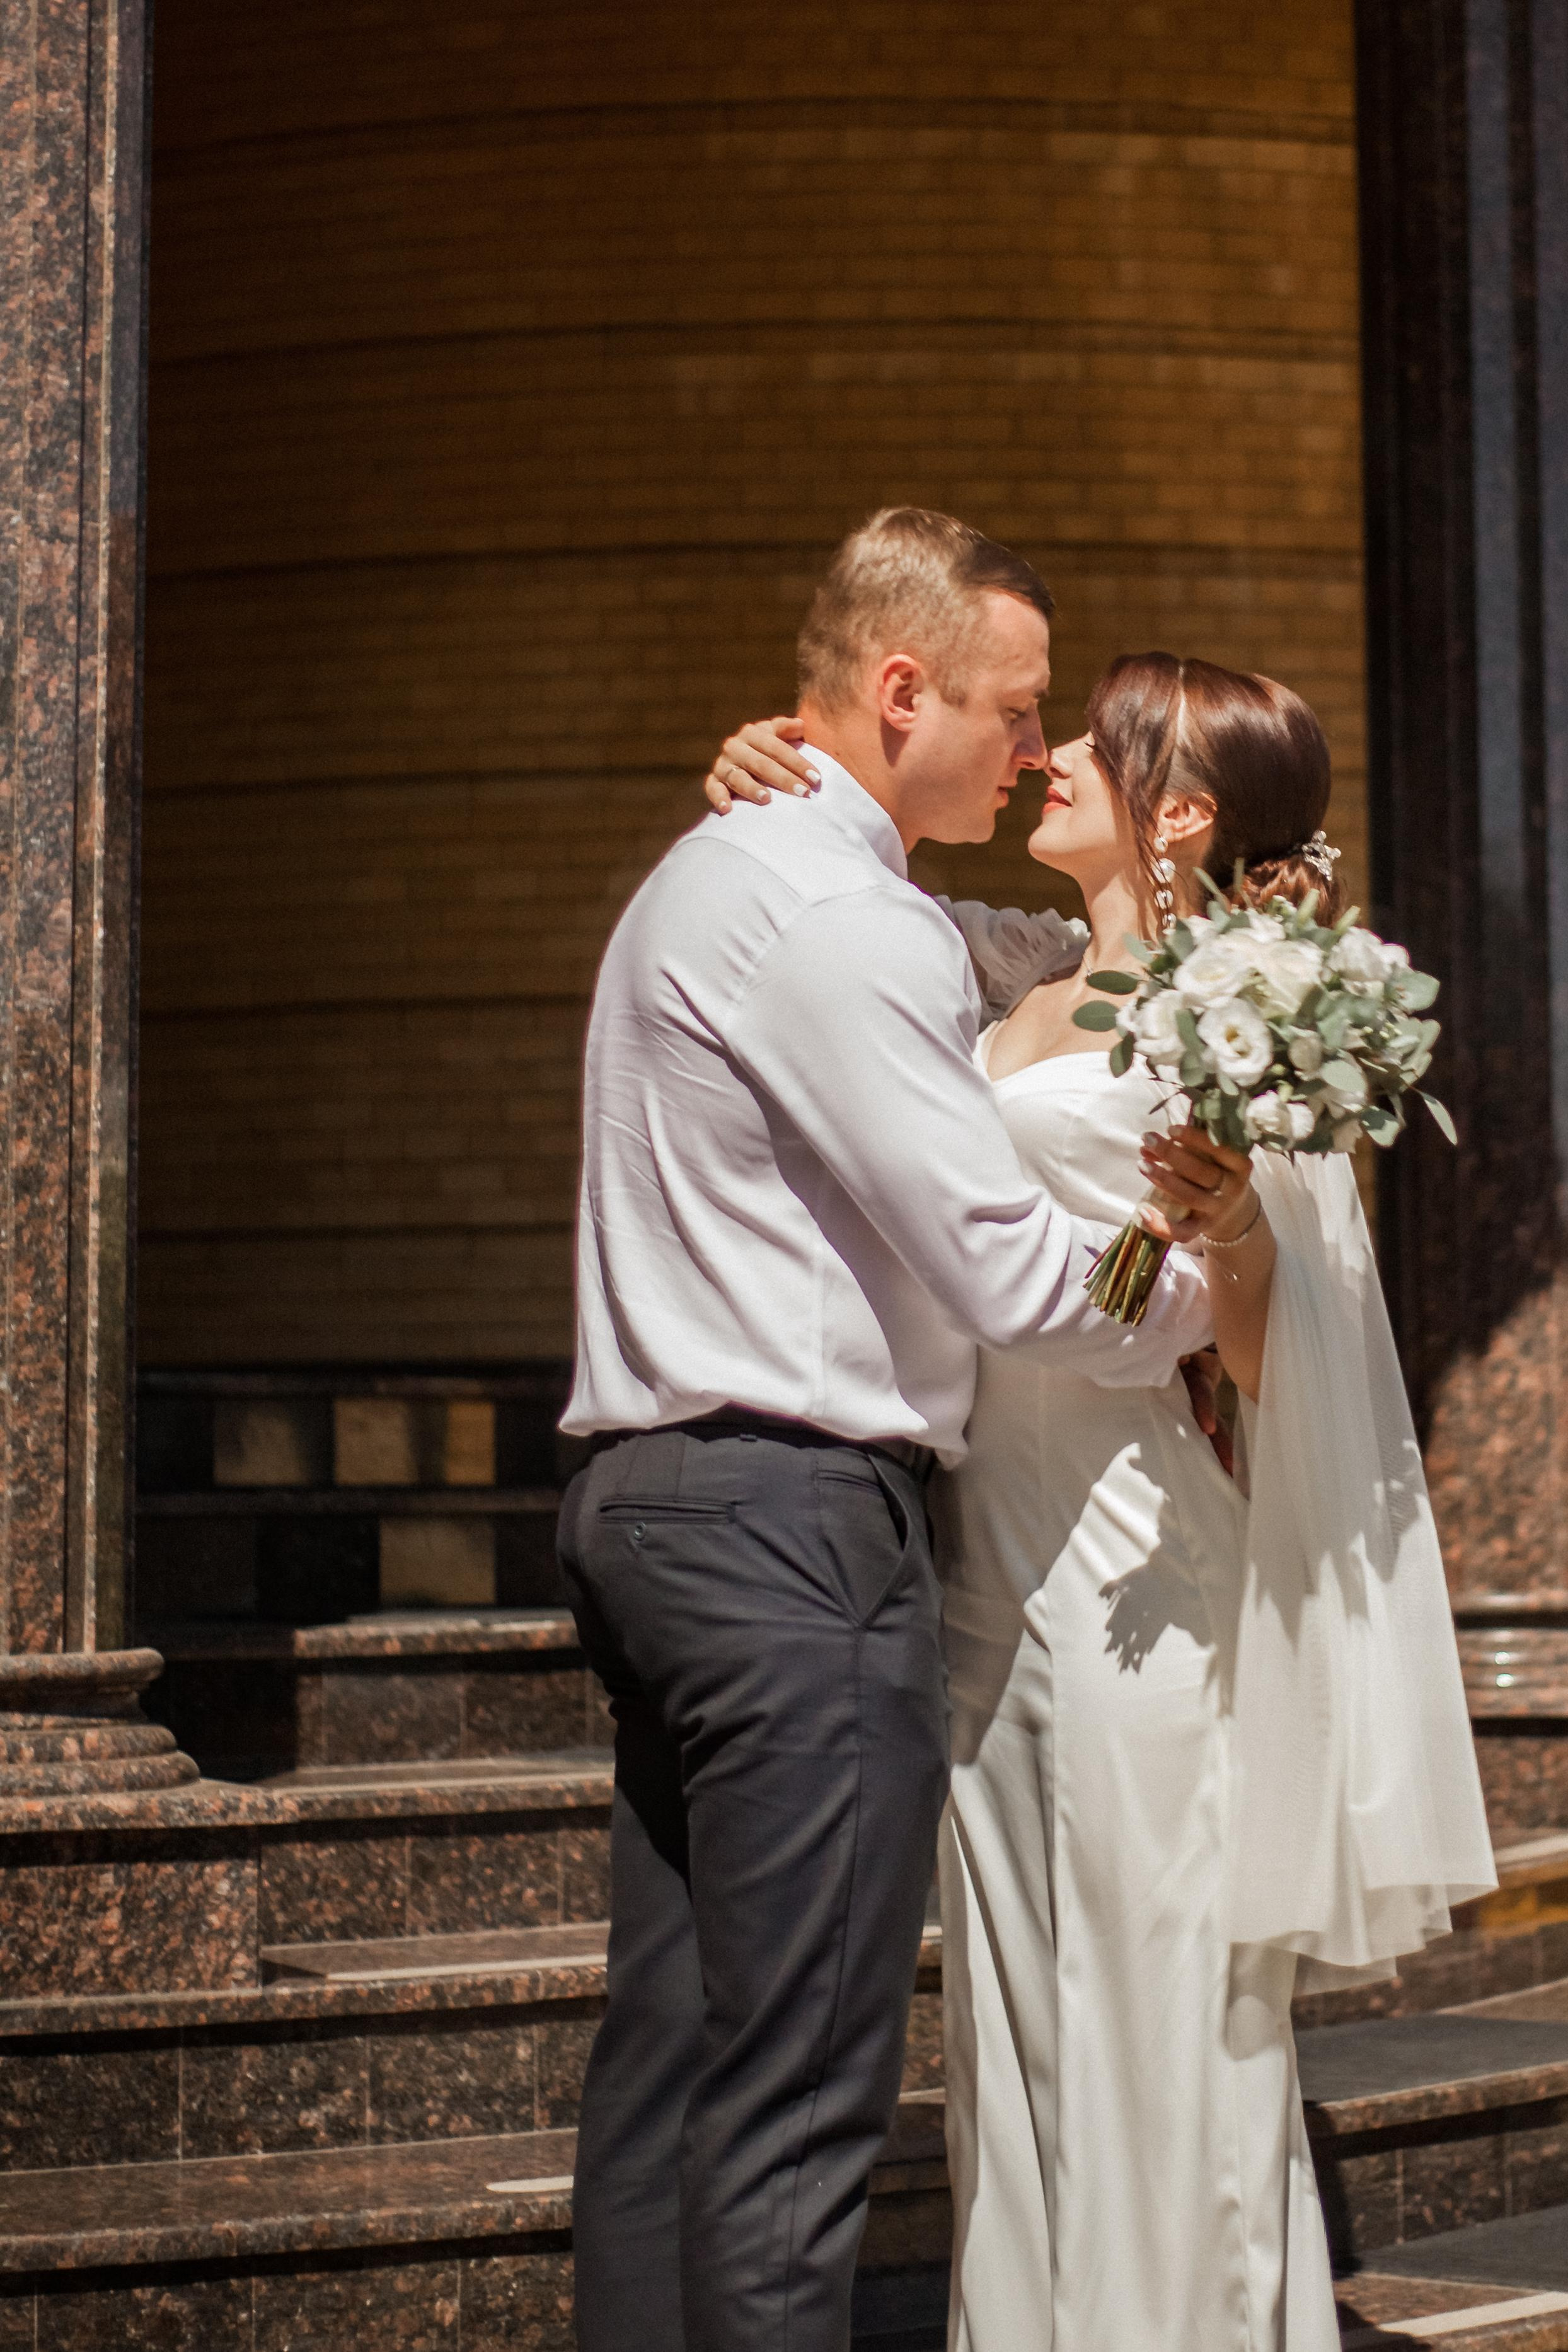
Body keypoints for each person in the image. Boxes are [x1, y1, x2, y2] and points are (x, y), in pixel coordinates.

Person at [706, 650, 1496, 2351]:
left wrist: (1225, 1231)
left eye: (1090, 741)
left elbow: (1294, 1372)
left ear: (1182, 807)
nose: (1047, 754)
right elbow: (855, 907)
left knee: (1161, 1999)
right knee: (1015, 2023)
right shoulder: (1025, 968)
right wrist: (779, 763)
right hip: (982, 1569)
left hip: (1144, 1567)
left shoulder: (1254, 1018)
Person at [555, 510, 1225, 2352]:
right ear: (902, 685)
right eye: (1012, 712)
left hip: (649, 1499)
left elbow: (1041, 970)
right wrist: (1201, 1312)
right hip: (789, 1528)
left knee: (676, 2071)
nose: (1029, 752)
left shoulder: (726, 872)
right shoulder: (841, 919)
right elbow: (1012, 1269)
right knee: (790, 2117)